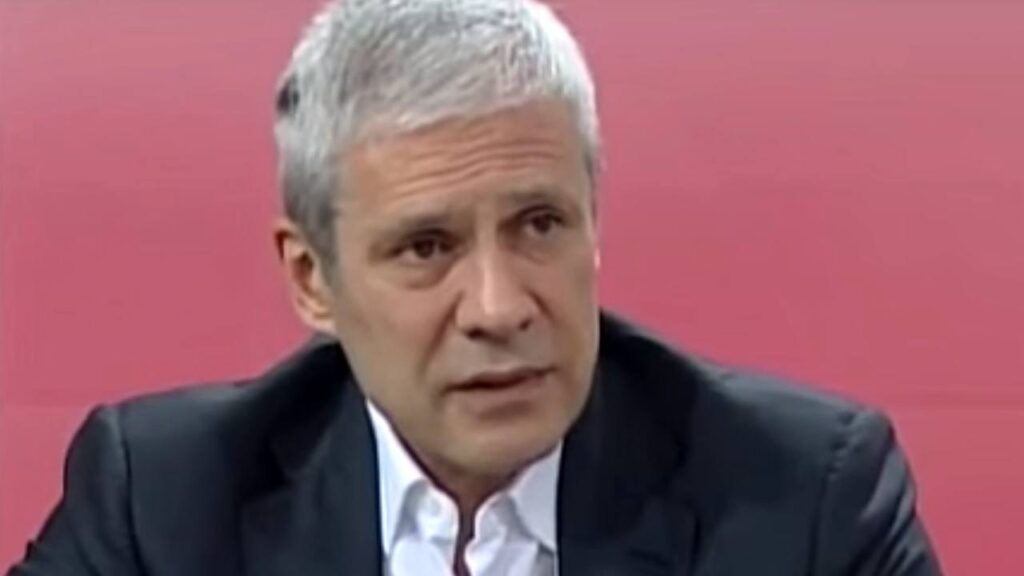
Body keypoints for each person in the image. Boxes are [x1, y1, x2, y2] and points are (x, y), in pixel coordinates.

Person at [8, 1, 942, 575]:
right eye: (426, 247)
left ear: (593, 221)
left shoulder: (803, 500)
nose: (500, 308)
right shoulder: (163, 503)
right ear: (312, 279)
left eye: (539, 224)